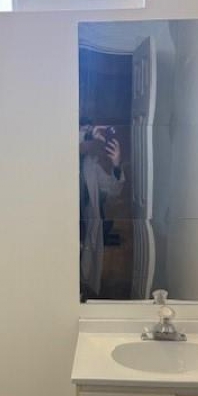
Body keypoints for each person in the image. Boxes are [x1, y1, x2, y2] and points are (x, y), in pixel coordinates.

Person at [79, 118, 125, 300]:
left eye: (90, 134)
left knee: (83, 277)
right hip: (58, 228)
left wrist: (116, 165)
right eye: (85, 133)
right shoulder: (58, 158)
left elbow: (113, 190)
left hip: (85, 230)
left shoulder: (90, 164)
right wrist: (86, 134)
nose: (89, 139)